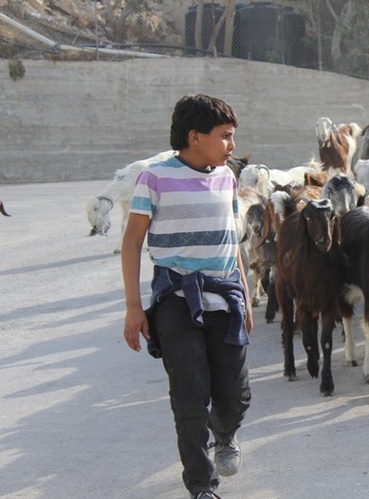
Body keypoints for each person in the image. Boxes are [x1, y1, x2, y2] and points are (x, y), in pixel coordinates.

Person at [121, 94, 253, 499]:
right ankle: (201, 485)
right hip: (177, 299)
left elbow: (233, 243)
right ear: (195, 137)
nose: (232, 145)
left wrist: (244, 296)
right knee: (189, 394)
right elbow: (131, 244)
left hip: (225, 295)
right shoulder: (155, 178)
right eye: (225, 136)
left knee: (235, 393)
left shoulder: (228, 177)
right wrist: (132, 308)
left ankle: (225, 433)